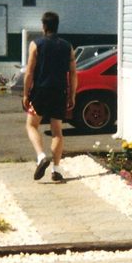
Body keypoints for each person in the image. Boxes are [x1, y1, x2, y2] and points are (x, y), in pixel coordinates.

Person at [23, 11, 77, 181]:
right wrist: (72, 95)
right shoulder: (68, 47)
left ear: (44, 26)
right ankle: (57, 169)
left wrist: (25, 94)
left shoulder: (35, 44)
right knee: (57, 131)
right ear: (57, 25)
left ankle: (41, 156)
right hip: (59, 91)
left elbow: (29, 72)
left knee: (31, 125)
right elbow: (73, 74)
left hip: (40, 91)